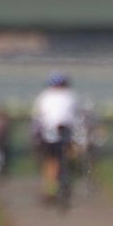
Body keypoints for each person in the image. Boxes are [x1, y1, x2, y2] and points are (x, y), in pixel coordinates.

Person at [31, 71, 80, 200]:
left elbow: (38, 117)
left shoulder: (44, 96)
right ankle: (67, 179)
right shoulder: (71, 96)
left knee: (50, 162)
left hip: (49, 135)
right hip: (67, 134)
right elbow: (76, 116)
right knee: (69, 156)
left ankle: (50, 190)